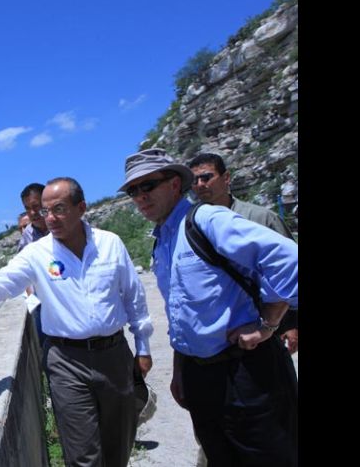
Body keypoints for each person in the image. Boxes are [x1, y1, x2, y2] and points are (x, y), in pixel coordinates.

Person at [0, 177, 153, 467]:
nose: (50, 218)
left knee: (118, 446)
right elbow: (7, 279)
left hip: (114, 356)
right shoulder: (37, 253)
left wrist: (143, 347)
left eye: (59, 209)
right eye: (45, 211)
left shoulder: (110, 245)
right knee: (83, 456)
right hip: (67, 362)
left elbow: (134, 297)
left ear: (81, 207)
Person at [120, 148, 298, 467]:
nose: (140, 197)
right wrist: (180, 372)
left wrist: (268, 324)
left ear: (175, 184)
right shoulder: (163, 240)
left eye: (148, 186)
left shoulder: (208, 220)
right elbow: (181, 314)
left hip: (246, 372)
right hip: (202, 378)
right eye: (133, 190)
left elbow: (290, 262)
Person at [187, 152, 298, 354]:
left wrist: (290, 324)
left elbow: (289, 270)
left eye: (207, 177)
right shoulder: (190, 227)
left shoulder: (259, 218)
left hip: (265, 326)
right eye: (194, 180)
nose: (200, 184)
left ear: (226, 177)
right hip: (221, 337)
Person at [17, 183, 51, 345]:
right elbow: (23, 271)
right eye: (27, 208)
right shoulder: (28, 236)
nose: (32, 213)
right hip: (42, 302)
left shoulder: (63, 225)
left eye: (35, 206)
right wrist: (32, 298)